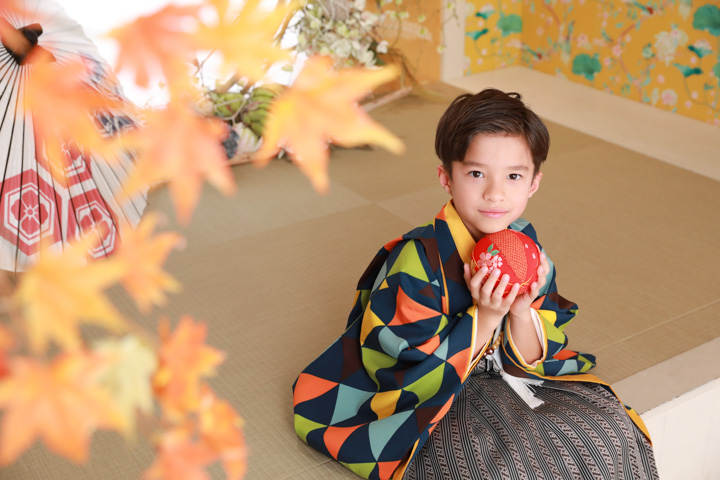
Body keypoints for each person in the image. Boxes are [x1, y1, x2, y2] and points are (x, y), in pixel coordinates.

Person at [292, 88, 657, 480]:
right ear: (446, 178)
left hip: (509, 375)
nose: (495, 194)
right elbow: (397, 370)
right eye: (476, 173)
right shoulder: (418, 261)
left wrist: (520, 313)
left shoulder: (525, 247)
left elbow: (536, 354)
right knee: (504, 466)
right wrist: (486, 316)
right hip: (434, 399)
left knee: (612, 432)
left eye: (514, 176)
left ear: (533, 183)